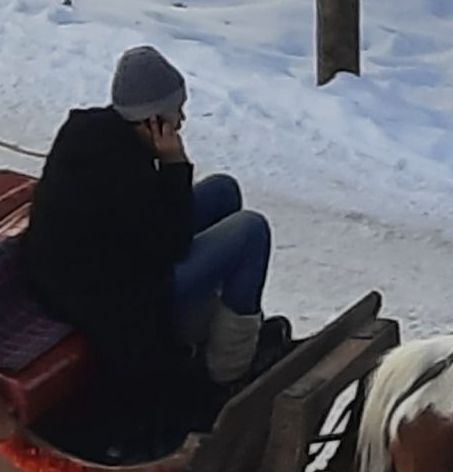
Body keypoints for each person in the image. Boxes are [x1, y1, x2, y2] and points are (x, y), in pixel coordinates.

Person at [19, 46, 281, 450]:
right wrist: (174, 163)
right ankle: (227, 371)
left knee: (223, 190)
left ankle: (203, 328)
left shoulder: (105, 137)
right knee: (251, 231)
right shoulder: (119, 166)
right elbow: (170, 244)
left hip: (117, 264)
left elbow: (154, 227)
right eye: (177, 113)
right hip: (111, 296)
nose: (182, 122)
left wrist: (171, 169)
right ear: (153, 120)